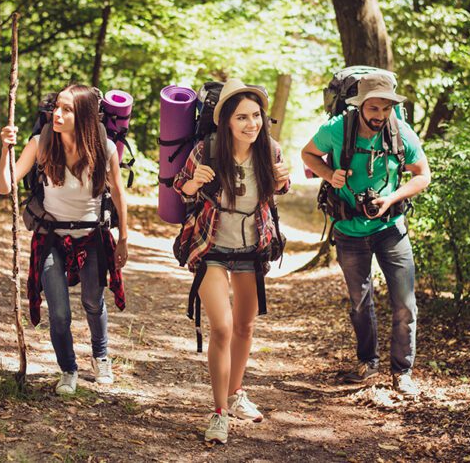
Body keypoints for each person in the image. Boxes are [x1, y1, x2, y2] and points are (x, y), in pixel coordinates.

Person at [173, 79, 290, 444]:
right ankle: (219, 412)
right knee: (222, 328)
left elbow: (278, 189)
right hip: (211, 249)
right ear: (225, 120)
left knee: (245, 327)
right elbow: (180, 185)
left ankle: (237, 393)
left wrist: (284, 181)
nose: (251, 124)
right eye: (242, 117)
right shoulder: (205, 150)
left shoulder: (269, 150)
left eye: (256, 116)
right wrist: (193, 183)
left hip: (253, 251)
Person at [300, 73, 431, 396]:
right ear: (360, 106)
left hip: (391, 229)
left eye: (386, 109)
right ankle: (367, 362)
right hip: (348, 231)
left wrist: (391, 198)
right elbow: (307, 155)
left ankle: (402, 372)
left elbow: (422, 175)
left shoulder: (401, 132)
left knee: (405, 304)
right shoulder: (337, 130)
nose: (380, 116)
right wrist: (331, 175)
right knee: (360, 303)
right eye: (374, 108)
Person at [0, 85, 128, 395]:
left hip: (92, 236)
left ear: (83, 115)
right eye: (57, 106)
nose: (57, 113)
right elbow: (5, 186)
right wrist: (6, 149)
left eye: (66, 109)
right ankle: (68, 369)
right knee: (59, 312)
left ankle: (101, 356)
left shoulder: (103, 147)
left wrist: (124, 237)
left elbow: (119, 193)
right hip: (52, 238)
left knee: (93, 303)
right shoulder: (41, 143)